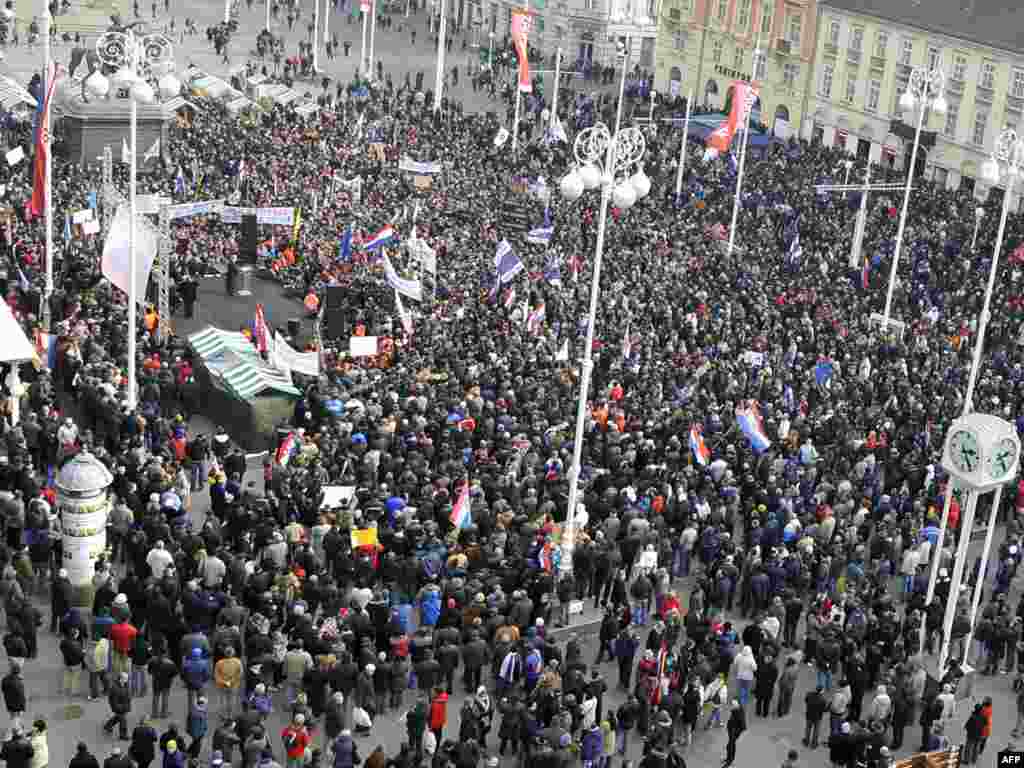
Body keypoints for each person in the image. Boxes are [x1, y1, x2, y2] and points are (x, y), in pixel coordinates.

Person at [104, 671, 133, 740]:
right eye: (126, 678)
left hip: (124, 706)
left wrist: (128, 704)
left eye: (127, 678)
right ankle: (123, 735)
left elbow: (128, 695)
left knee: (117, 718)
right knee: (123, 721)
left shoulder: (125, 684)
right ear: (121, 679)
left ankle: (108, 726)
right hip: (119, 708)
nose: (127, 680)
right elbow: (114, 702)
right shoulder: (115, 688)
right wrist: (122, 708)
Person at [2, 661, 26, 727]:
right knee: (16, 717)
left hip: (8, 702)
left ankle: (17, 727)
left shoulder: (5, 679)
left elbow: (3, 689)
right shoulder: (19, 682)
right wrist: (23, 707)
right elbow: (21, 695)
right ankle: (16, 730)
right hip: (17, 705)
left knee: (13, 716)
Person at [723, 700, 746, 768]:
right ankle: (729, 759)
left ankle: (729, 761)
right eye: (732, 704)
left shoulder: (739, 712)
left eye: (734, 704)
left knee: (730, 746)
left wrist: (736, 733)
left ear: (738, 704)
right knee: (729, 746)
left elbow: (743, 726)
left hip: (734, 732)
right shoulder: (735, 710)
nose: (732, 705)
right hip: (731, 731)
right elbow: (731, 719)